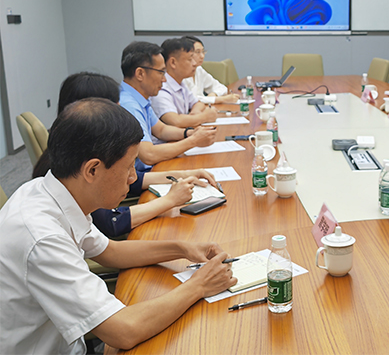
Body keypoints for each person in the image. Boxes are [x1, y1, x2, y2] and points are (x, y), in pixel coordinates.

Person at [0, 98, 237, 354]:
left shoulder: (51, 191)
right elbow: (123, 330)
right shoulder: (42, 237)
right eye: (128, 167)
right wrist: (198, 285)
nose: (133, 178)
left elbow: (111, 252)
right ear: (92, 170)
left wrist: (182, 248)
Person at [32, 72, 218, 238]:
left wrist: (184, 174)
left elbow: (134, 181)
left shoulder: (72, 150)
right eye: (114, 106)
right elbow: (111, 222)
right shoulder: (77, 170)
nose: (120, 111)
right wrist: (170, 200)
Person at [120, 41, 217, 170]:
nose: (164, 79)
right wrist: (194, 141)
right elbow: (148, 155)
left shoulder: (139, 98)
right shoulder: (128, 105)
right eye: (161, 72)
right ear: (140, 74)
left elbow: (161, 130)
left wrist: (190, 133)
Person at [150, 37, 219, 128]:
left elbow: (198, 103)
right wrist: (205, 117)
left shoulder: (180, 83)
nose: (194, 63)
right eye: (190, 59)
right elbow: (175, 121)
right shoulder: (161, 87)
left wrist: (195, 114)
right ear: (173, 62)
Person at [181, 36, 239, 104]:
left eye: (203, 51)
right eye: (197, 52)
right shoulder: (181, 74)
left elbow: (221, 87)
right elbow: (191, 99)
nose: (202, 56)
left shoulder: (199, 69)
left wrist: (214, 94)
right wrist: (220, 99)